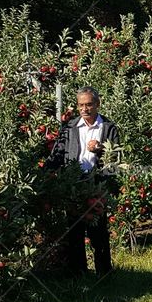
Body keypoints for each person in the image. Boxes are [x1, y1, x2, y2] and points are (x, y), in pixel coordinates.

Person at [45, 86, 121, 276]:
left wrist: (100, 149)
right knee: (74, 232)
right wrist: (45, 171)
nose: (85, 109)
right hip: (74, 184)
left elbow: (117, 157)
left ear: (97, 104)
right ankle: (78, 273)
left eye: (88, 104)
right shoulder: (70, 127)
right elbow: (58, 153)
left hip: (96, 184)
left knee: (99, 231)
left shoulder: (108, 128)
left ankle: (104, 273)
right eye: (81, 105)